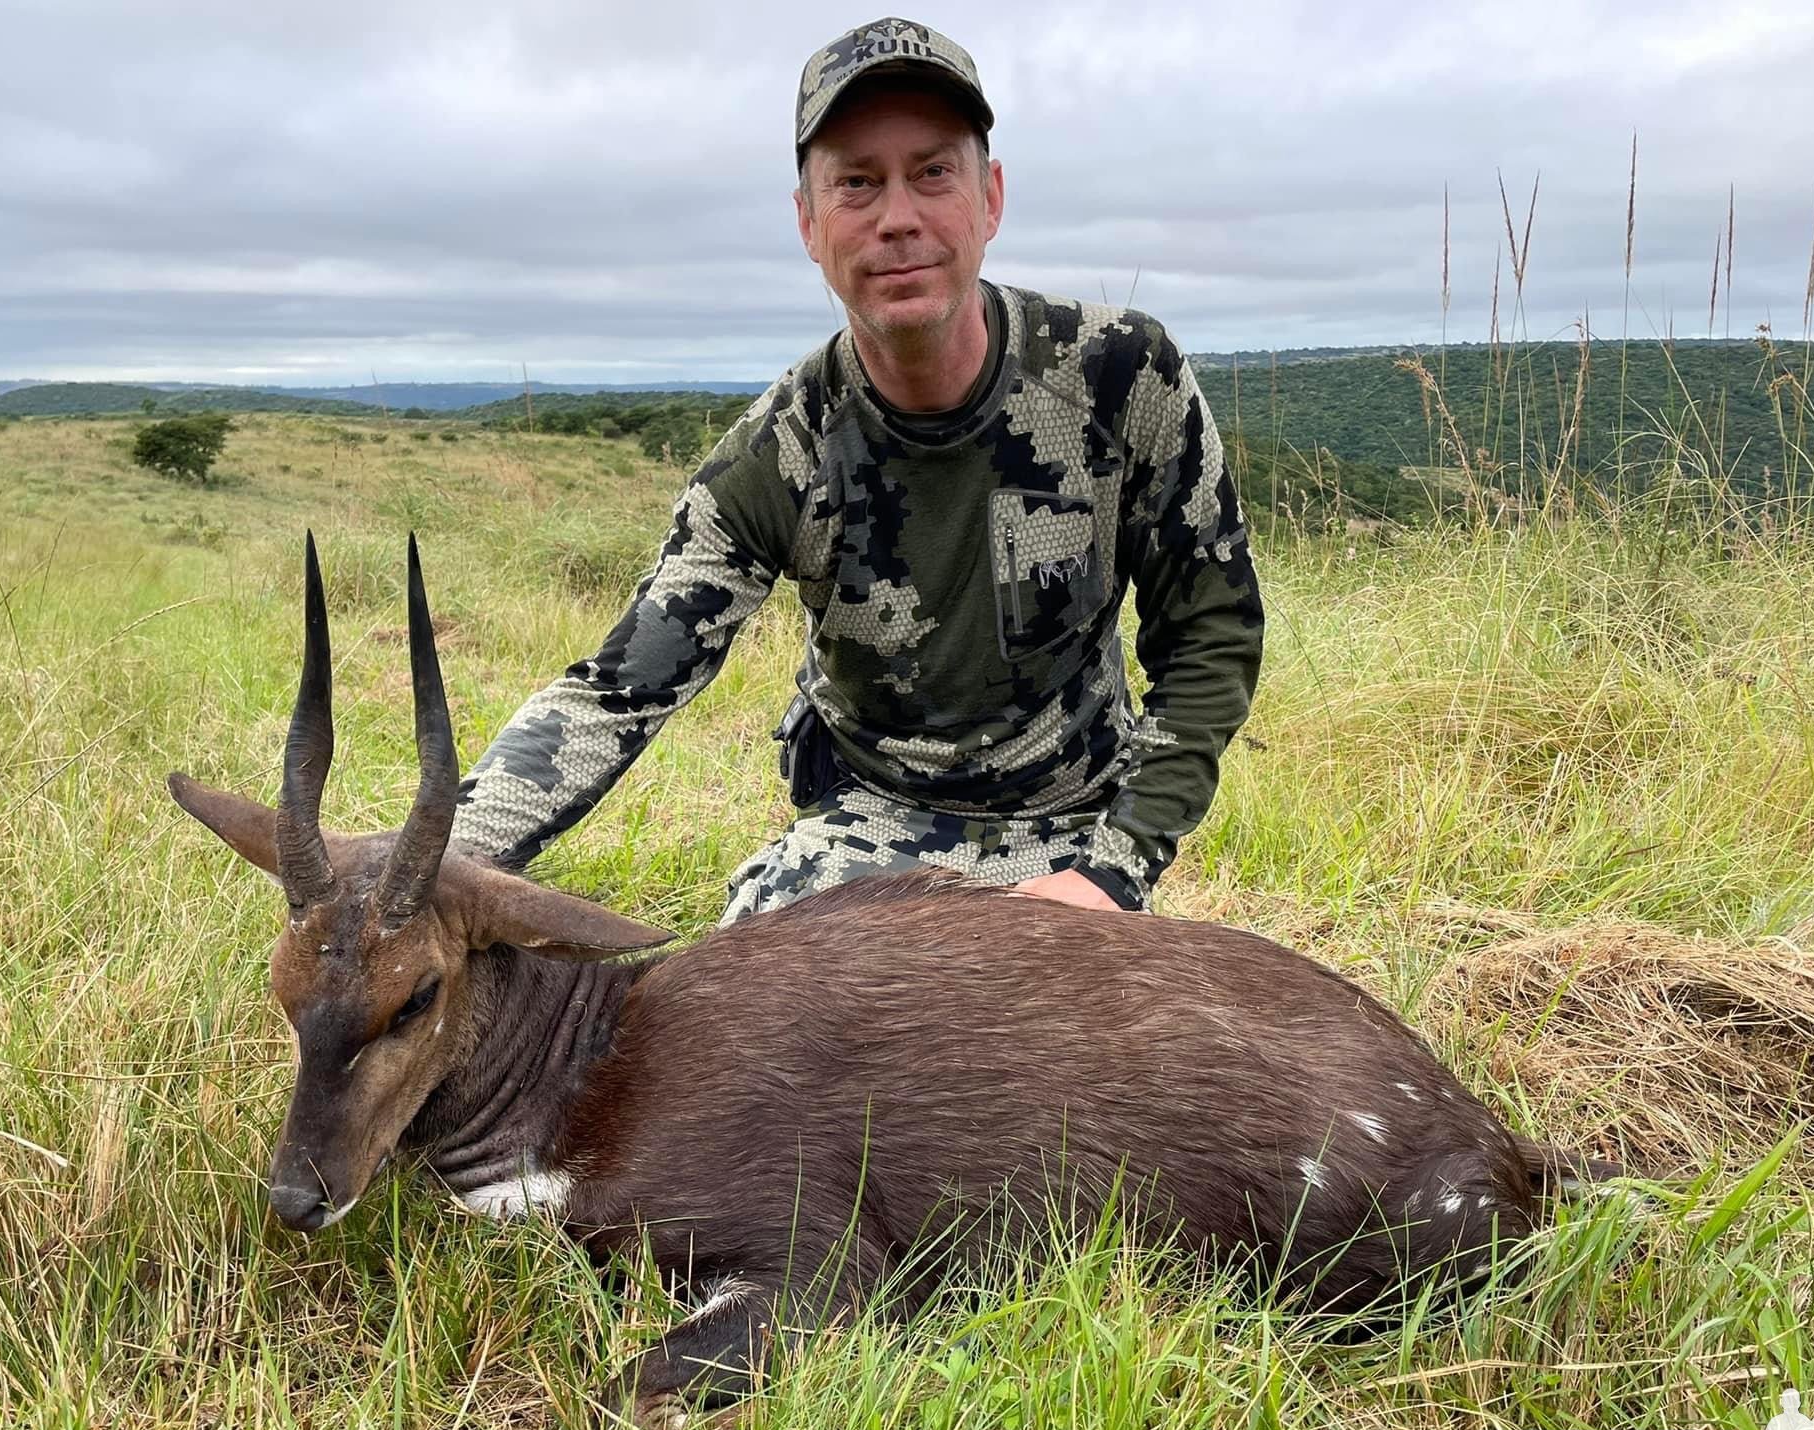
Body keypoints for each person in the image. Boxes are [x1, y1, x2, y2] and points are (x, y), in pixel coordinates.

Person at [453, 17, 1264, 923]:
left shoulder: (1121, 375)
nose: (899, 218)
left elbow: (1211, 630)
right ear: (809, 222)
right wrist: (439, 860)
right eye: (857, 184)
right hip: (868, 826)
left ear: (989, 197)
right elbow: (620, 687)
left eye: (932, 172)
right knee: (744, 1021)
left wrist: (1118, 866)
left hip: (1075, 822)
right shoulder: (777, 454)